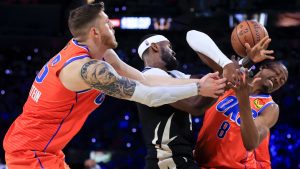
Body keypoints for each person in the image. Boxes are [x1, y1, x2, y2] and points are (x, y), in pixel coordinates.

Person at [2, 3, 226, 169]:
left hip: (47, 150)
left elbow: (144, 78)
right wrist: (197, 89)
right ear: (95, 32)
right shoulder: (88, 71)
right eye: (107, 23)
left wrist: (202, 80)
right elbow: (148, 95)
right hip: (30, 152)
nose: (113, 25)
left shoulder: (101, 52)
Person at [135, 32, 273, 169]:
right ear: (155, 47)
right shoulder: (149, 76)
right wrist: (227, 65)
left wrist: (246, 62)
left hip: (182, 159)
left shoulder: (176, 76)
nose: (173, 52)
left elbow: (191, 35)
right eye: (169, 47)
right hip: (167, 161)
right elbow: (194, 105)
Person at [188, 32, 289, 169]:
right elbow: (192, 35)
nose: (278, 79)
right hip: (201, 162)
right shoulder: (232, 81)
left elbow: (251, 142)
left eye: (282, 81)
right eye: (277, 73)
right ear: (264, 68)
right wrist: (245, 60)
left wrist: (243, 98)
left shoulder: (270, 107)